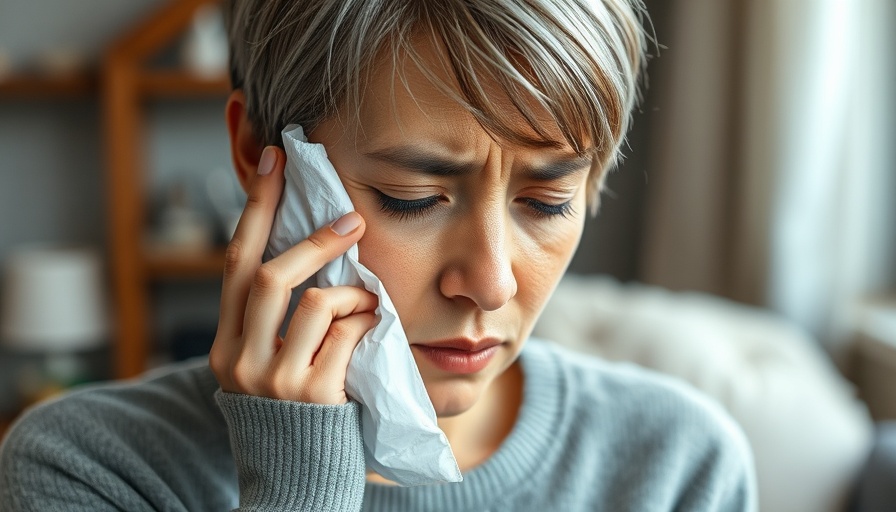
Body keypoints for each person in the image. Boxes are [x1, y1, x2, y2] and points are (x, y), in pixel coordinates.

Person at [0, 0, 757, 510]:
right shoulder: (86, 468)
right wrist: (300, 478)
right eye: (412, 198)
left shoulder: (678, 466)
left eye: (547, 202)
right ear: (257, 153)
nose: (489, 284)